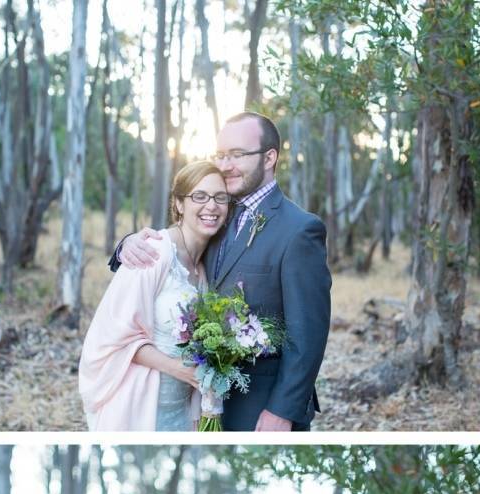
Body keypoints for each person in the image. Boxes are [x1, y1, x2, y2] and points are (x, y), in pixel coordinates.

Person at [112, 112, 332, 431]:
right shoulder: (218, 213)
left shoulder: (300, 230)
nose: (225, 165)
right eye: (221, 155)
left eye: (238, 155)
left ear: (270, 157)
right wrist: (128, 245)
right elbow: (175, 248)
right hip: (200, 401)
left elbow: (308, 334)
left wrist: (282, 411)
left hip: (260, 407)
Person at [79, 161, 229, 430]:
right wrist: (178, 368)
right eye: (199, 196)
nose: (212, 206)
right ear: (179, 204)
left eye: (220, 197)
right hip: (138, 409)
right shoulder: (153, 252)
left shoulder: (206, 265)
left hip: (182, 414)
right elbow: (113, 337)